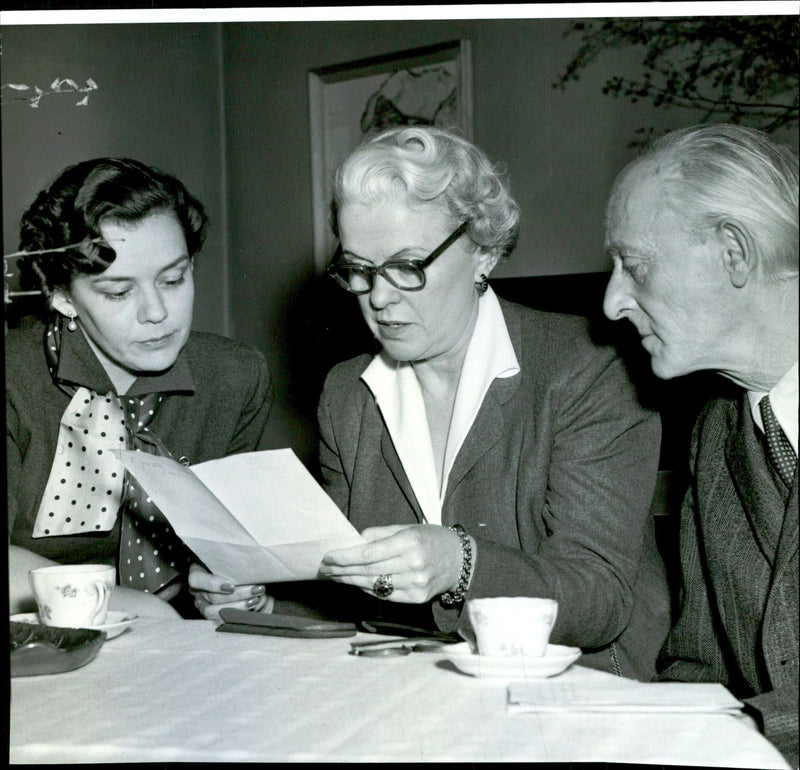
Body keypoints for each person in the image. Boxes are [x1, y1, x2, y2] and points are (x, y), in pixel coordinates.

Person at [273, 125, 670, 679]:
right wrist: (264, 599)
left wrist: (462, 565)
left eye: (407, 266)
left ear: (482, 250)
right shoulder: (348, 392)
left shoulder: (588, 369)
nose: (379, 297)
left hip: (576, 692)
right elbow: (351, 591)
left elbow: (598, 600)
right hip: (416, 691)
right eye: (359, 270)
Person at [603, 124, 798, 765]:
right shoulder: (717, 437)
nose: (611, 301)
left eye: (634, 265)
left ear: (733, 253)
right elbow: (699, 666)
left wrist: (728, 733)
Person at [7, 157, 273, 620]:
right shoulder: (13, 376)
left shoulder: (234, 378)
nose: (157, 312)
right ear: (61, 296)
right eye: (117, 292)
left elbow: (222, 551)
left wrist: (231, 588)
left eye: (173, 279)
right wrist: (137, 609)